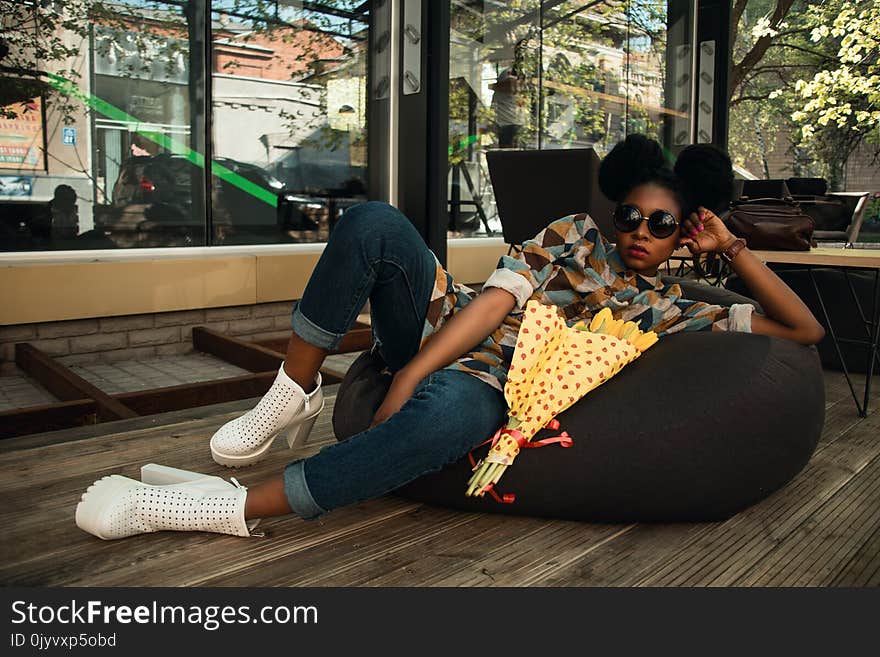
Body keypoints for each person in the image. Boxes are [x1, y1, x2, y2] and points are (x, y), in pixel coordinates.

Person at [74, 134, 824, 540]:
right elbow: (493, 304)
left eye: (662, 224)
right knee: (372, 221)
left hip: (490, 383)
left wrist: (731, 248)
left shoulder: (668, 308)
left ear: (681, 234)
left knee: (457, 416)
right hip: (443, 322)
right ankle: (293, 389)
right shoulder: (571, 236)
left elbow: (803, 329)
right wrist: (406, 373)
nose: (639, 233)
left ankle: (226, 508)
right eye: (629, 215)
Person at [489, 68, 527, 148]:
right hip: (506, 125)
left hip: (514, 124)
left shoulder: (519, 95)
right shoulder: (503, 92)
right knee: (507, 150)